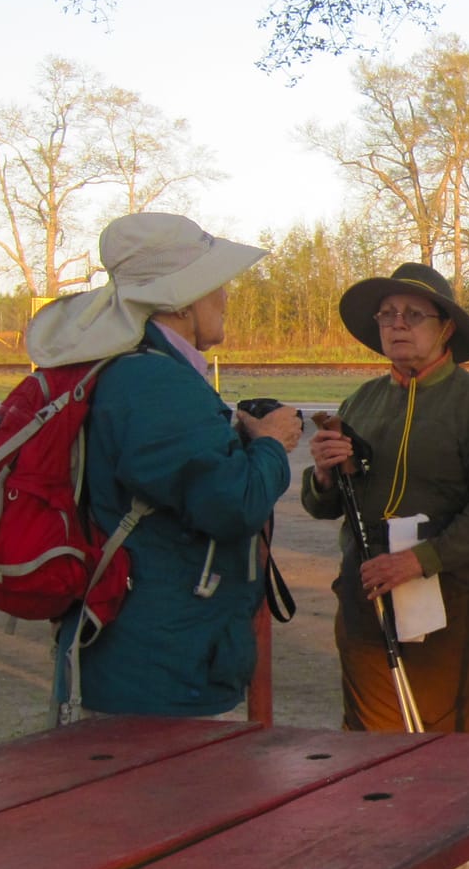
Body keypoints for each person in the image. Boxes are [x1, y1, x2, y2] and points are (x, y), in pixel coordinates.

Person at [27, 213, 302, 717]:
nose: (224, 297)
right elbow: (232, 504)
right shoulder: (155, 382)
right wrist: (270, 444)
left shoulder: (132, 368)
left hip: (147, 657)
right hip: (162, 675)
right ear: (179, 298)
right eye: (215, 283)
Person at [301, 263, 469, 734]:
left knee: (453, 742)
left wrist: (420, 559)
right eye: (387, 314)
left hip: (451, 591)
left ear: (446, 329)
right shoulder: (363, 400)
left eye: (414, 315)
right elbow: (325, 505)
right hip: (369, 587)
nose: (397, 324)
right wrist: (324, 475)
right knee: (370, 739)